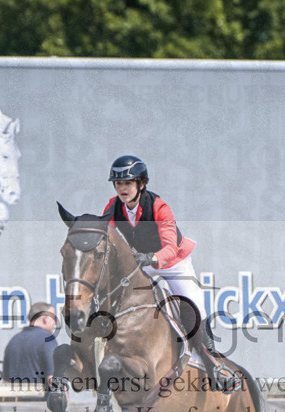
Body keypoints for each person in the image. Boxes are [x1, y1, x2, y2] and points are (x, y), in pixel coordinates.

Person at [102, 155, 239, 392]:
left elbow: (170, 247)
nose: (122, 188)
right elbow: (108, 238)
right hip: (141, 263)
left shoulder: (158, 206)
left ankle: (213, 364)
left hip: (173, 262)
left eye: (128, 183)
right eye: (119, 184)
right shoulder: (112, 207)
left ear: (141, 184)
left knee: (193, 302)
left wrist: (152, 258)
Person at [3, 301, 58, 389]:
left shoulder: (13, 341)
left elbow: (6, 382)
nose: (55, 323)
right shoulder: (48, 340)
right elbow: (53, 379)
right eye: (54, 318)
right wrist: (66, 401)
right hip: (40, 402)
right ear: (45, 319)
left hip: (15, 402)